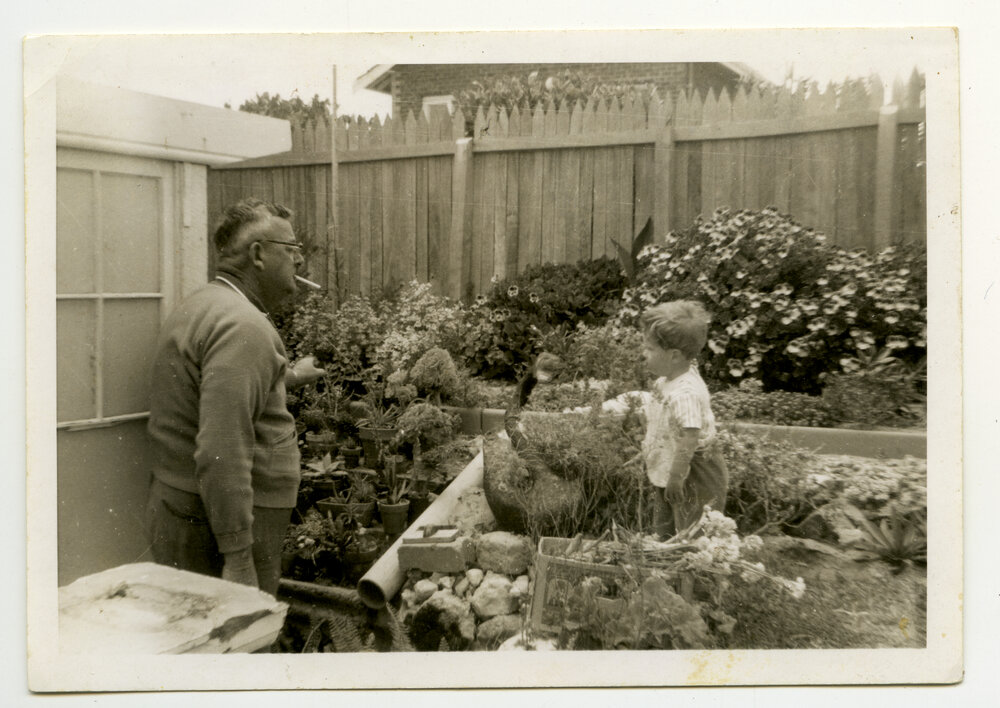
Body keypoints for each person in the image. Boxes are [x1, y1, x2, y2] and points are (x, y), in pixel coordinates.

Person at [145, 198, 325, 596]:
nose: (299, 261)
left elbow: (214, 396)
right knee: (242, 641)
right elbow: (221, 449)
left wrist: (289, 376)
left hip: (184, 508)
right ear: (258, 255)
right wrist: (239, 558)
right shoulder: (244, 326)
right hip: (221, 524)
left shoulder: (203, 305)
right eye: (292, 249)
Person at [638, 300, 728, 538]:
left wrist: (676, 477)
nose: (643, 353)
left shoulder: (685, 394)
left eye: (649, 348)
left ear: (674, 356)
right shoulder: (669, 379)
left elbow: (689, 438)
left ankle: (690, 569)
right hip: (673, 464)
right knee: (665, 526)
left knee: (693, 528)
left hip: (692, 471)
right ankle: (664, 562)